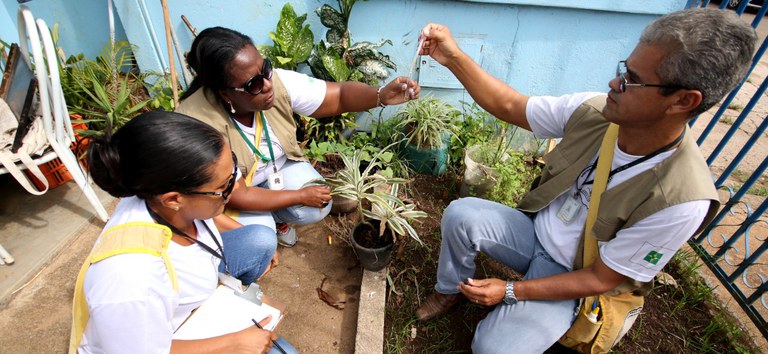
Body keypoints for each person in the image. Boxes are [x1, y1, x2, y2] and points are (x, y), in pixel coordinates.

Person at [414, 8, 756, 353]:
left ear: (683, 100)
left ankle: (531, 309)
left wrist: (510, 291)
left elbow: (600, 278)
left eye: (631, 79)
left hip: (576, 277)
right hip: (536, 236)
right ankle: (450, 290)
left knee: (492, 348)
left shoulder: (680, 200)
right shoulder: (596, 111)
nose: (614, 83)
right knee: (462, 215)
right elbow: (509, 104)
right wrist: (452, 57)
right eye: (623, 69)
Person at [70, 111, 296, 354]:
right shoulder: (130, 279)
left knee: (260, 239)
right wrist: (234, 343)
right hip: (159, 342)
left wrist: (257, 248)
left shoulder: (158, 194)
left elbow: (210, 218)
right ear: (174, 199)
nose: (234, 191)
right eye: (223, 186)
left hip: (185, 306)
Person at [177, 26, 421, 247]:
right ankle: (266, 224)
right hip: (232, 195)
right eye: (253, 84)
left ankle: (273, 215)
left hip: (275, 170)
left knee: (317, 204)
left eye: (265, 69)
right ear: (226, 93)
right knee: (259, 241)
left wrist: (380, 95)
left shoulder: (276, 83)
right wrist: (299, 196)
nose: (268, 85)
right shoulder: (199, 123)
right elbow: (236, 194)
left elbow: (338, 96)